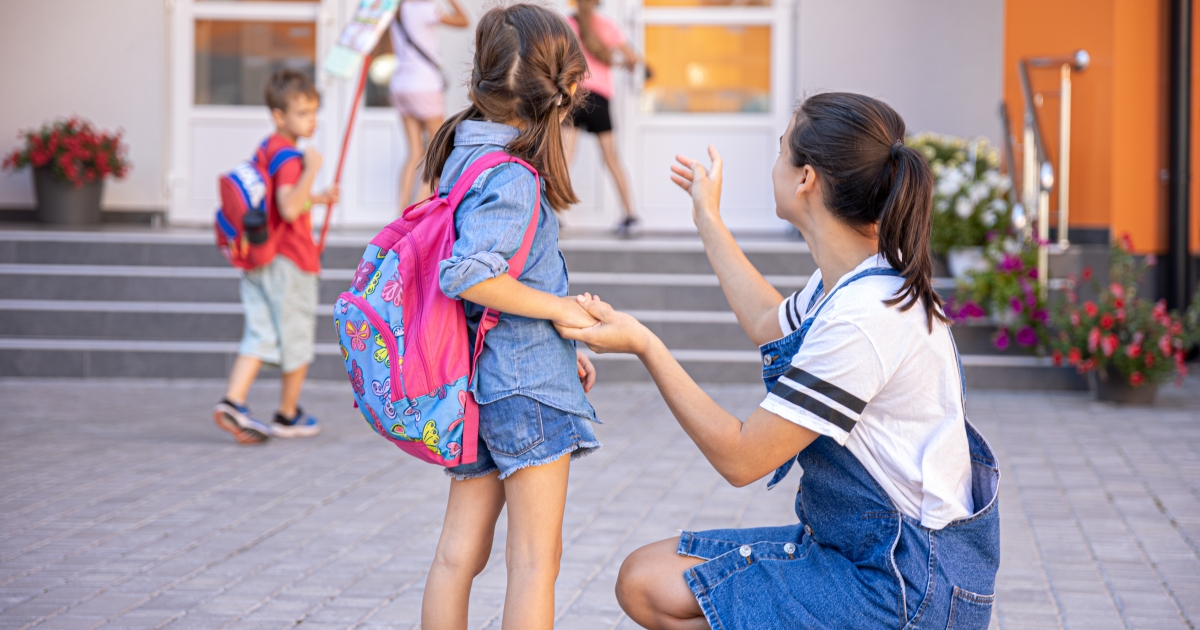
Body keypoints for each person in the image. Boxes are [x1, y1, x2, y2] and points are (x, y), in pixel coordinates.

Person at [557, 93, 1001, 629]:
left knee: (654, 586)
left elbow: (743, 458)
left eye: (780, 148)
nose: (774, 162)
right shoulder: (855, 277)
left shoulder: (865, 317)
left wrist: (646, 346)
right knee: (647, 577)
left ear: (806, 178)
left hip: (905, 582)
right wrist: (707, 216)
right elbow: (767, 319)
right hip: (866, 551)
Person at [417, 6, 602, 629]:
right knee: (534, 563)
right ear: (566, 92)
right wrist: (564, 312)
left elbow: (503, 279)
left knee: (455, 557)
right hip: (525, 389)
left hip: (476, 383)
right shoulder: (515, 176)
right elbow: (470, 274)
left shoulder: (461, 154)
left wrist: (559, 341)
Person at [212, 70, 339, 445]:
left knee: (260, 332)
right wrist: (312, 170)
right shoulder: (291, 157)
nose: (311, 120)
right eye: (302, 113)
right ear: (278, 116)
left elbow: (277, 201)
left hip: (260, 256)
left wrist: (317, 198)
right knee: (297, 336)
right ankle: (288, 413)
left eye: (314, 111)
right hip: (291, 262)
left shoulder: (268, 147)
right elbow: (286, 207)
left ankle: (233, 400)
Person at [563, 0, 642, 235]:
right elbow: (634, 58)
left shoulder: (569, 24)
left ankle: (552, 214)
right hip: (600, 99)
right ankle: (630, 215)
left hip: (576, 94)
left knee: (564, 160)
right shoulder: (607, 25)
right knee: (612, 158)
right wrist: (619, 62)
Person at [389, 0, 469, 209]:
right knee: (438, 149)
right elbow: (464, 21)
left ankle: (400, 208)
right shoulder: (426, 10)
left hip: (400, 84)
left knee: (414, 151)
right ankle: (416, 209)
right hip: (424, 84)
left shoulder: (396, 10)